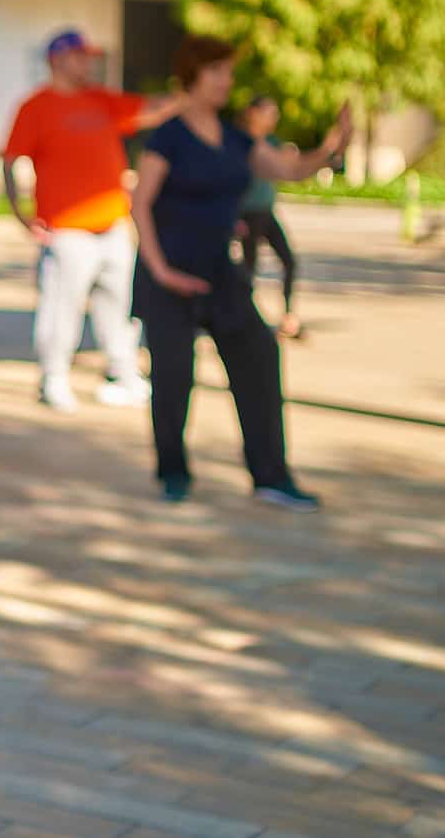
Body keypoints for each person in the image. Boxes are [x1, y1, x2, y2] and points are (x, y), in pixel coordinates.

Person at [130, 36, 350, 511]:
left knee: (259, 355)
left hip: (218, 272)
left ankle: (271, 475)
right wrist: (162, 271)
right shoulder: (169, 136)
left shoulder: (234, 138)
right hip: (168, 275)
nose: (227, 81)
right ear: (193, 74)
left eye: (229, 72)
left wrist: (330, 148)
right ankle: (173, 472)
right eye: (218, 72)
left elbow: (288, 169)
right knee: (173, 377)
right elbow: (140, 203)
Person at [2, 29, 186, 413]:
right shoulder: (35, 107)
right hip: (67, 230)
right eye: (80, 56)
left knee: (121, 306)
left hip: (113, 226)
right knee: (61, 308)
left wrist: (189, 94)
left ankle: (123, 374)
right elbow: (11, 161)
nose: (88, 63)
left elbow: (150, 109)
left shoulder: (100, 100)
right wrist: (22, 215)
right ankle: (53, 378)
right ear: (57, 60)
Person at [235, 96, 302, 340]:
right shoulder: (239, 141)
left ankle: (288, 317)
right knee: (249, 269)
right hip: (246, 214)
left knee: (289, 260)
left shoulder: (273, 142)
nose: (274, 118)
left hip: (266, 212)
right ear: (253, 113)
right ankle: (244, 320)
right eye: (269, 113)